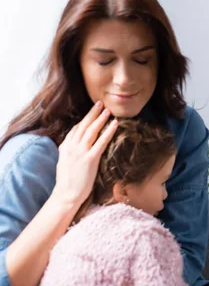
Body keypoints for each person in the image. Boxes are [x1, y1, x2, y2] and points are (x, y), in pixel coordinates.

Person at [0, 0, 209, 286]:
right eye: (104, 60)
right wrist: (67, 196)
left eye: (141, 59)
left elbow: (188, 259)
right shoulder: (33, 153)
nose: (124, 79)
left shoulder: (182, 129)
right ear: (76, 63)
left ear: (161, 62)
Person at [41, 119, 185, 285]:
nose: (165, 194)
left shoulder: (68, 235)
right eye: (162, 183)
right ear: (124, 191)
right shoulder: (145, 236)